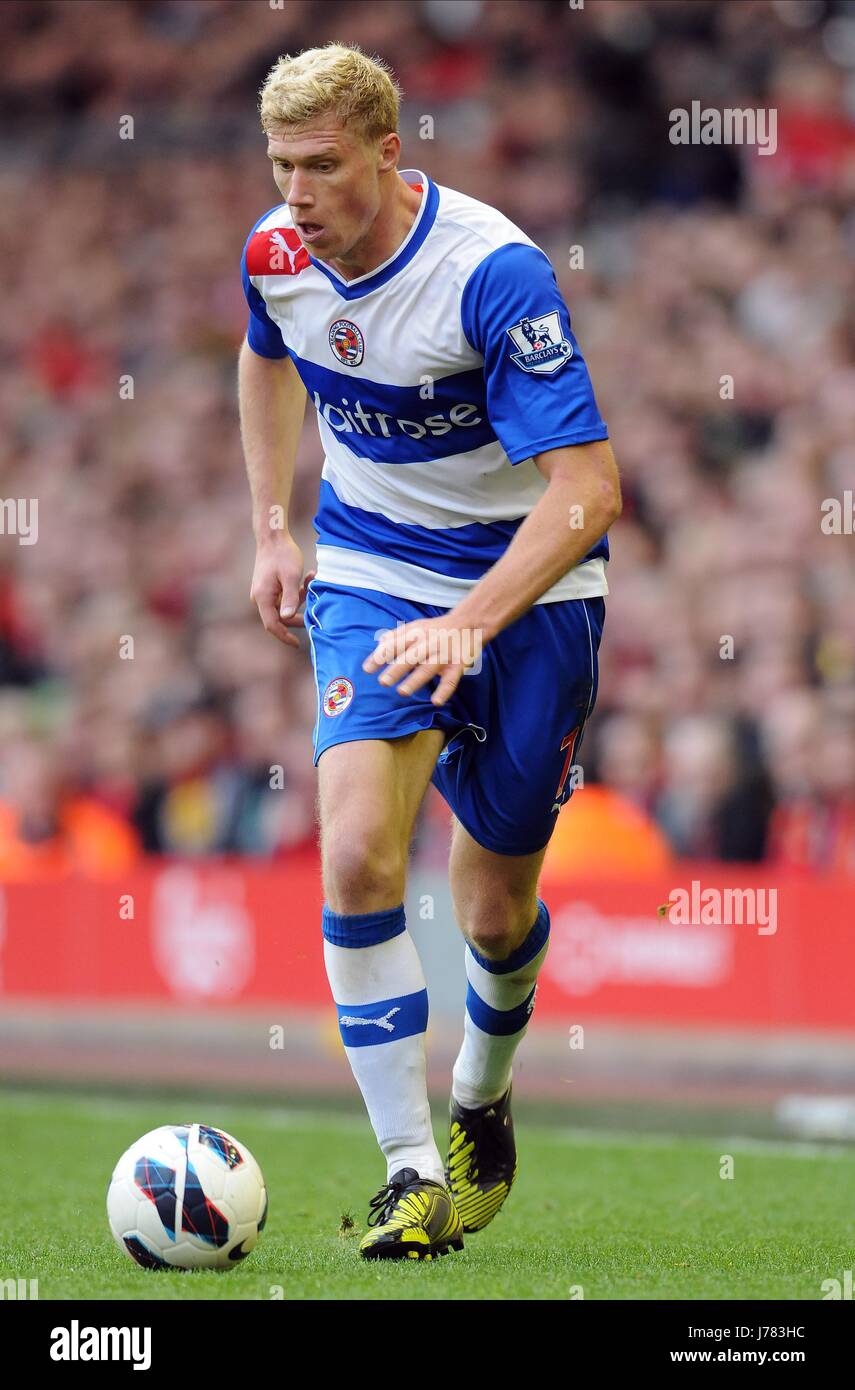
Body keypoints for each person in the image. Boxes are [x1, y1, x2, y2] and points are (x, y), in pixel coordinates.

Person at [238, 42, 621, 1261]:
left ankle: (481, 1097)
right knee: (354, 851)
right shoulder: (274, 257)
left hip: (525, 578)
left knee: (495, 906)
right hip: (370, 569)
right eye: (280, 166)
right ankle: (410, 1174)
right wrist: (273, 525)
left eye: (323, 166)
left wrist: (473, 620)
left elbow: (592, 490)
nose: (297, 195)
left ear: (391, 155)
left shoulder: (493, 274)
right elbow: (265, 356)